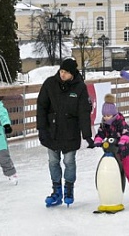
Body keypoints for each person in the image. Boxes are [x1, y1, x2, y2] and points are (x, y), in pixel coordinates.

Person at [37, 58, 94, 207]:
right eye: (61, 71)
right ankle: (57, 191)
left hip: (70, 131)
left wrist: (87, 135)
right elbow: (41, 107)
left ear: (72, 73)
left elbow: (83, 112)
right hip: (52, 131)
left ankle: (69, 188)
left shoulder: (80, 88)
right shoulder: (50, 84)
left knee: (69, 161)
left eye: (66, 72)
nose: (62, 74)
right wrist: (41, 128)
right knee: (53, 161)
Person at [92, 94, 129, 198]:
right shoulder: (104, 124)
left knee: (128, 170)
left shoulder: (120, 122)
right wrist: (98, 140)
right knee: (112, 170)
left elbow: (127, 132)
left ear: (113, 114)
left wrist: (123, 140)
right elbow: (100, 133)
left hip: (125, 151)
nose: (106, 118)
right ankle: (112, 190)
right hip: (112, 151)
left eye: (108, 115)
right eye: (104, 116)